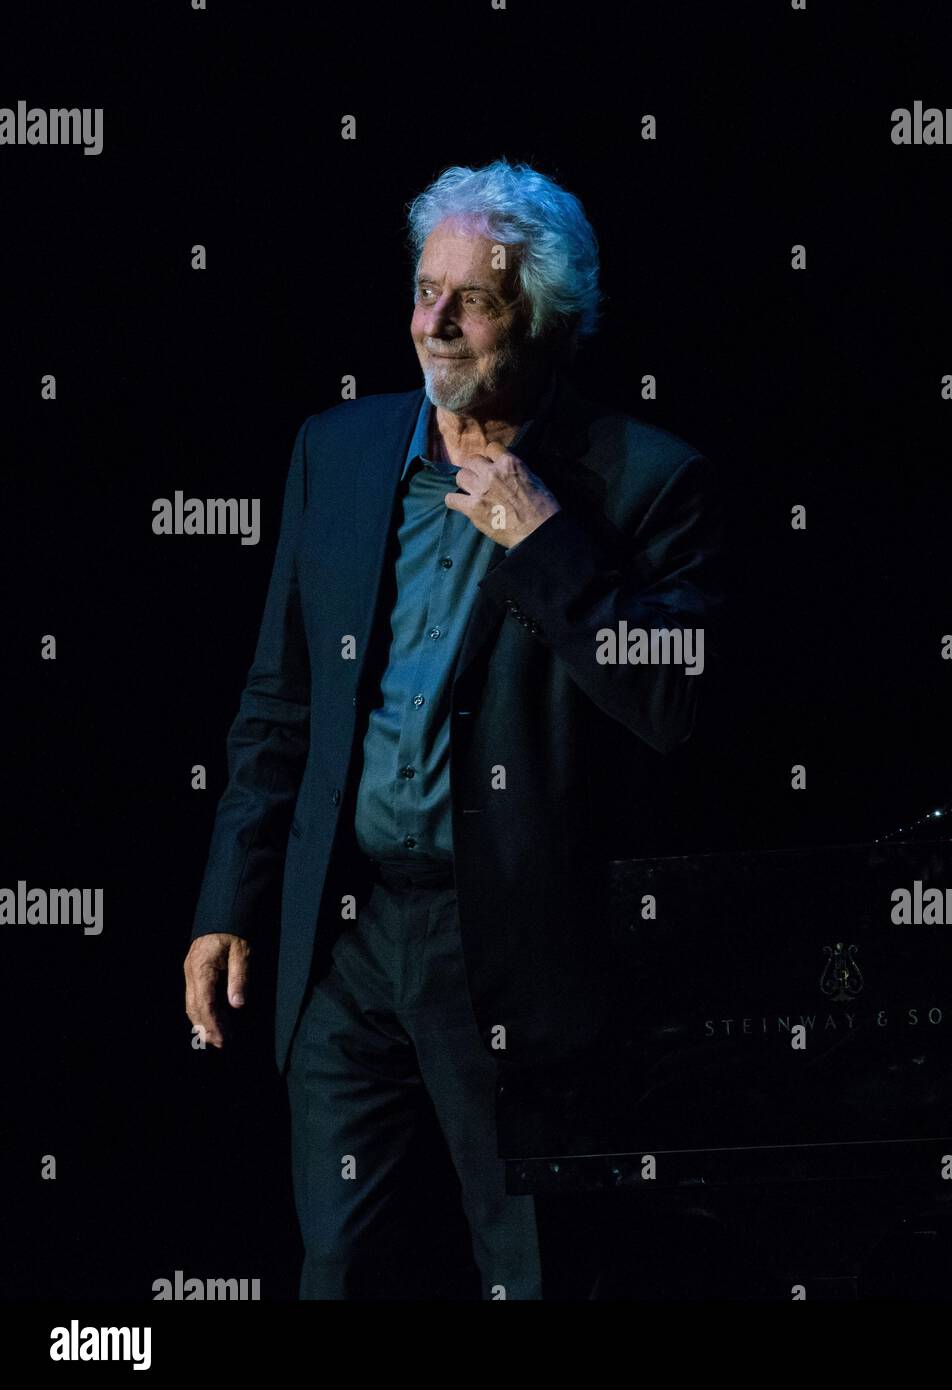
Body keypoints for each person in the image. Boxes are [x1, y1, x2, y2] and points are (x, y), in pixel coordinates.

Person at [182, 159, 725, 1299]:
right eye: (425, 290)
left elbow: (677, 705)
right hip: (349, 935)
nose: (433, 323)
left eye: (469, 299)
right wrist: (231, 904)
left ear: (542, 317)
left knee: (529, 1273)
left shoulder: (644, 481)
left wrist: (545, 540)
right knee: (341, 1268)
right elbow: (280, 699)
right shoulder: (335, 453)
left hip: (518, 954)